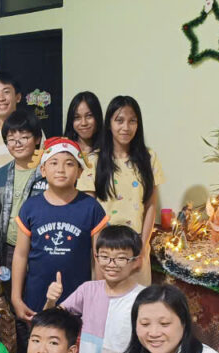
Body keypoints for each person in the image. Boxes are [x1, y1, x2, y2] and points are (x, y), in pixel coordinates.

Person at [11, 137, 108, 324]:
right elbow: (20, 255)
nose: (61, 169)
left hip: (79, 301)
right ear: (43, 170)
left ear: (80, 171)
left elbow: (99, 258)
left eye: (69, 163)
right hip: (36, 299)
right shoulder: (30, 207)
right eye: (54, 163)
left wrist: (98, 298)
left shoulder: (91, 208)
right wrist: (16, 298)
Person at [78, 96, 165, 284]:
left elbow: (150, 205)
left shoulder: (149, 158)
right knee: (104, 300)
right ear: (109, 124)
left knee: (137, 300)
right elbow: (90, 213)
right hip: (104, 248)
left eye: (132, 121)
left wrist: (143, 247)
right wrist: (98, 255)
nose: (126, 127)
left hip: (135, 247)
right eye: (119, 120)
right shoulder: (94, 160)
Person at [46, 225, 143, 353]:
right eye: (104, 256)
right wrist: (51, 301)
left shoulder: (142, 298)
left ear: (135, 261)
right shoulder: (88, 290)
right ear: (96, 257)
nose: (111, 264)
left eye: (120, 258)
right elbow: (50, 323)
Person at [0, 107, 47, 285]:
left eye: (24, 137)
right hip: (9, 250)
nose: (17, 143)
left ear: (37, 139)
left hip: (42, 250)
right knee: (12, 299)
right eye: (11, 139)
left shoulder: (48, 173)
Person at [63, 92, 103, 156]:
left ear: (98, 117)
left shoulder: (108, 150)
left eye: (89, 116)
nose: (83, 123)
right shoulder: (63, 149)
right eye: (77, 117)